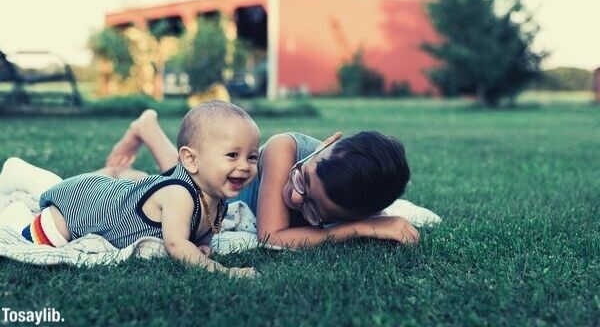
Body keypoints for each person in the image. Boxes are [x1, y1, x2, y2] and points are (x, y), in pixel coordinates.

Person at [106, 108, 420, 248]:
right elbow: (271, 236)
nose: (295, 198)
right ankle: (146, 128)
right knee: (185, 180)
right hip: (233, 188)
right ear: (327, 143)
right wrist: (362, 229)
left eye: (314, 211)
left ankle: (147, 131)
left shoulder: (356, 196)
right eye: (301, 181)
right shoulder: (284, 149)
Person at [17, 101, 260, 278]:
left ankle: (113, 173)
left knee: (126, 184)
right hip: (83, 205)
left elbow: (203, 226)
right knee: (36, 236)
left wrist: (202, 243)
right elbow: (176, 245)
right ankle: (18, 188)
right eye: (232, 155)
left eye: (251, 157)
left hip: (116, 194)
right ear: (191, 160)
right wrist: (225, 272)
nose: (244, 166)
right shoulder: (180, 195)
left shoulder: (217, 194)